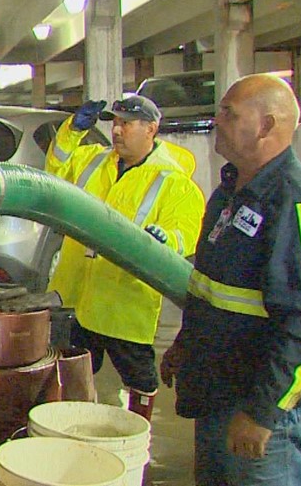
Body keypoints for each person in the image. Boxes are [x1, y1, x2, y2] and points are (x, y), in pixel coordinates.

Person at [160, 74, 301, 486]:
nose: (216, 120)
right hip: (218, 392)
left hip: (261, 408)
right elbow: (213, 287)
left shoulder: (300, 202)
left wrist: (263, 413)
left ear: (266, 126)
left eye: (229, 112)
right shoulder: (229, 192)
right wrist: (187, 344)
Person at [45, 94, 205, 420]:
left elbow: (185, 230)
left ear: (151, 129)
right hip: (76, 296)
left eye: (126, 124)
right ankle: (73, 429)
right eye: (114, 123)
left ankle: (137, 439)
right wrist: (72, 131)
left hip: (125, 305)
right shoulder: (91, 160)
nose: (117, 131)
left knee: (140, 379)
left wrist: (167, 241)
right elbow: (55, 169)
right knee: (71, 370)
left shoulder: (173, 182)